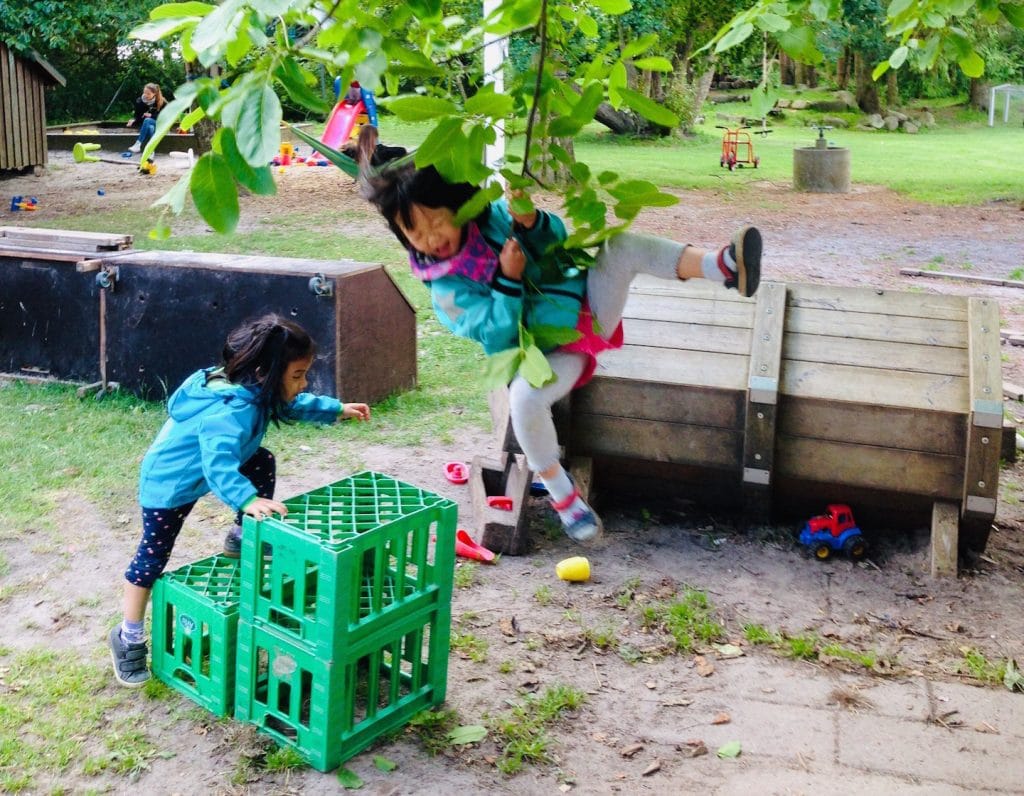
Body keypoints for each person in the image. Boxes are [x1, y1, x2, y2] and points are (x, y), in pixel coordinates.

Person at [360, 163, 761, 545]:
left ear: (459, 206)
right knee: (523, 399)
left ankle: (723, 267)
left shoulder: (493, 218)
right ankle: (563, 497)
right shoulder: (447, 289)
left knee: (620, 245)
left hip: (586, 305)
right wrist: (507, 280)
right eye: (414, 232)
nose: (430, 237)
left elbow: (556, 249)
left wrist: (532, 222)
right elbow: (495, 335)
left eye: (436, 220)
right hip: (548, 351)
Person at [109, 314, 371, 687]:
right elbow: (218, 466)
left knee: (261, 460)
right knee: (153, 557)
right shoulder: (230, 411)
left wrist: (336, 409)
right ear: (265, 372)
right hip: (169, 485)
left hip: (201, 470)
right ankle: (128, 636)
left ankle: (240, 537)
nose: (303, 383)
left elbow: (291, 404)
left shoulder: (252, 386)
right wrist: (248, 500)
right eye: (297, 376)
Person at [123, 82, 167, 156]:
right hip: (146, 125)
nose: (146, 95)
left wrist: (152, 116)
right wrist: (134, 121)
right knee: (150, 128)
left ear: (154, 94)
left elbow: (166, 117)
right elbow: (138, 116)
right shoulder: (139, 101)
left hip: (159, 123)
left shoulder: (162, 101)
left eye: (148, 93)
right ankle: (151, 151)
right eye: (145, 92)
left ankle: (138, 144)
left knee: (148, 120)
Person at [343, 124, 408, 169]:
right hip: (381, 174)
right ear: (375, 137)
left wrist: (349, 145)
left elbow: (343, 151)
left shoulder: (354, 151)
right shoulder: (381, 151)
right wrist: (380, 145)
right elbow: (402, 150)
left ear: (360, 136)